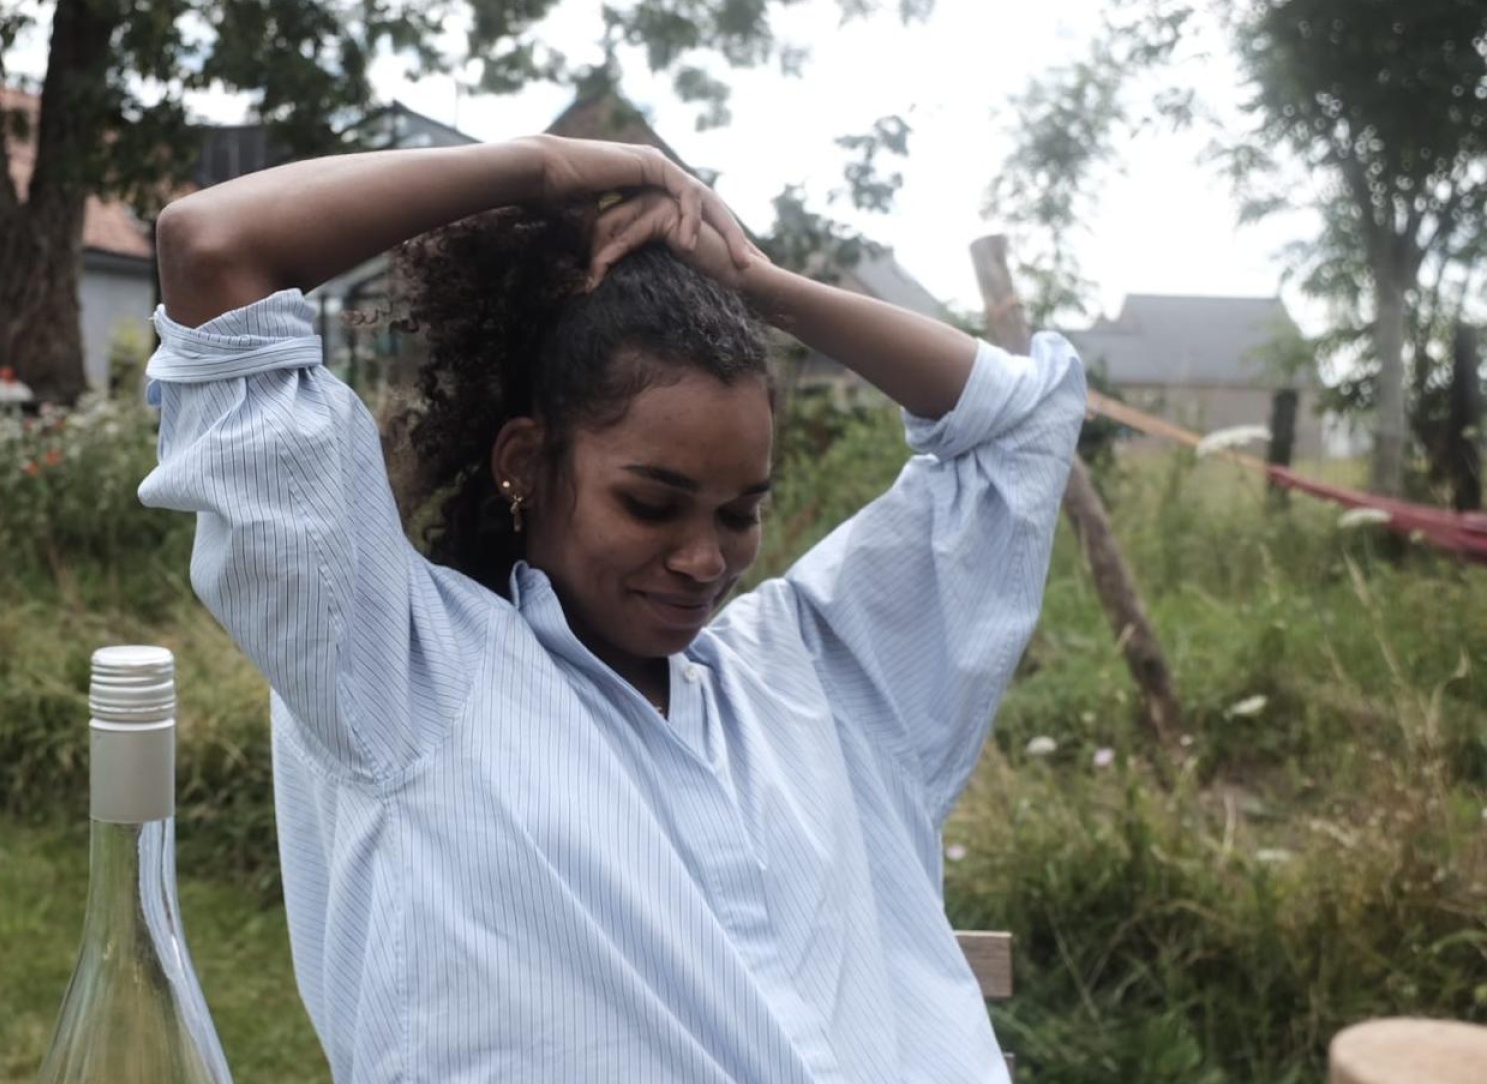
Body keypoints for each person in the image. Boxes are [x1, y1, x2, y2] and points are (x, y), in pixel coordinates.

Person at [140, 134, 1085, 1083]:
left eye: (741, 513)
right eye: (650, 504)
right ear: (524, 462)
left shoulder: (814, 676)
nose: (705, 559)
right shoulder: (401, 673)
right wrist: (541, 168)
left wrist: (756, 285)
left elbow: (1019, 426)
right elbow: (215, 245)